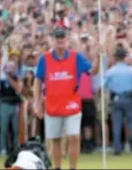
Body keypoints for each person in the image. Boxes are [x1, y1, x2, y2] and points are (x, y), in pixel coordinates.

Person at [34, 27, 100, 170]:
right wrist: (37, 103)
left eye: (62, 37)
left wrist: (98, 57)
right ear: (52, 40)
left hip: (72, 104)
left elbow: (93, 71)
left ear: (67, 40)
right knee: (55, 139)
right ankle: (57, 167)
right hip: (52, 105)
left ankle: (72, 168)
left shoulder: (76, 56)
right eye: (57, 38)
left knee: (74, 137)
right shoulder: (44, 58)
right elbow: (38, 81)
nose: (60, 40)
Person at [103, 47, 132, 155]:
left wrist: (100, 96)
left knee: (116, 125)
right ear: (124, 57)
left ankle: (117, 149)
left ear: (115, 57)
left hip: (116, 99)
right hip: (129, 99)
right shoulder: (130, 70)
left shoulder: (111, 71)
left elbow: (102, 86)